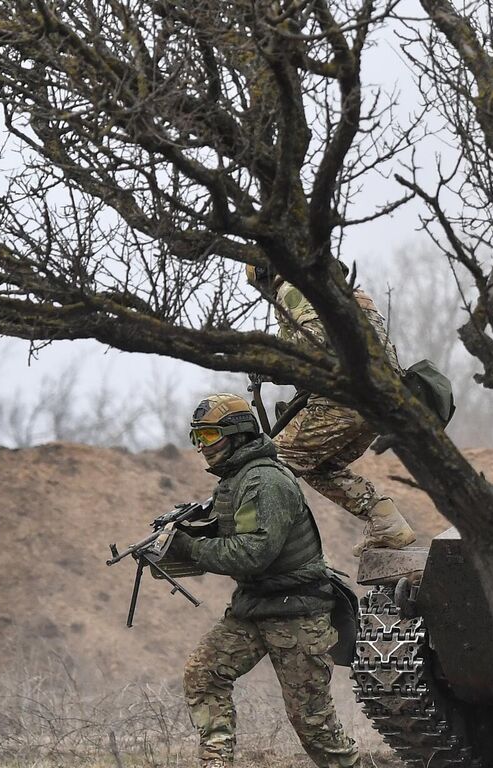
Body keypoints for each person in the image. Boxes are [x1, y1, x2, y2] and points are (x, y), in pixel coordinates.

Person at [168, 393, 364, 768]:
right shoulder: (236, 479)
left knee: (314, 726)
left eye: (209, 436)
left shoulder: (266, 481)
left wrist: (190, 548)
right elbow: (236, 531)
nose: (202, 447)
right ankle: (215, 760)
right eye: (197, 438)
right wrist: (183, 533)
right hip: (257, 605)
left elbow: (252, 553)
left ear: (237, 434)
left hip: (298, 614)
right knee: (204, 673)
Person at [251, 266, 415, 555]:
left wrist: (266, 357)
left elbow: (314, 340)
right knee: (319, 466)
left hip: (344, 397)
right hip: (379, 401)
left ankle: (263, 543)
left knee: (272, 462)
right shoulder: (340, 291)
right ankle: (385, 520)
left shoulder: (294, 286)